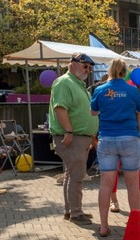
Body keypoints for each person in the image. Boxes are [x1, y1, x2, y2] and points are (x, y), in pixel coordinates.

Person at [90, 58, 140, 237]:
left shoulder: (99, 90)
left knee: (105, 184)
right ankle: (135, 224)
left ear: (109, 71)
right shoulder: (132, 90)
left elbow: (93, 111)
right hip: (129, 137)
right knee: (132, 183)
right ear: (125, 72)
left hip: (106, 139)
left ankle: (104, 226)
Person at [49, 53, 98, 225]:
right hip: (73, 137)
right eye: (85, 66)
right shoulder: (64, 82)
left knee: (72, 175)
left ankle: (71, 211)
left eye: (89, 67)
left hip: (79, 138)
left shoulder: (77, 84)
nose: (88, 70)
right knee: (77, 176)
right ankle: (76, 213)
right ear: (73, 64)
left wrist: (90, 134)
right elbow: (60, 108)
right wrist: (69, 131)